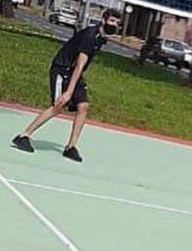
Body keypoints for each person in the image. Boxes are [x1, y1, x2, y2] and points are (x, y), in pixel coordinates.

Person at [11, 8, 123, 162]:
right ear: (103, 20)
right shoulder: (91, 36)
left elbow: (80, 67)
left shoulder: (101, 38)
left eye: (117, 23)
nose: (114, 25)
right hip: (62, 69)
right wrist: (69, 92)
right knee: (59, 105)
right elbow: (79, 64)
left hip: (73, 72)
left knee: (83, 106)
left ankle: (71, 147)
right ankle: (23, 136)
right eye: (111, 21)